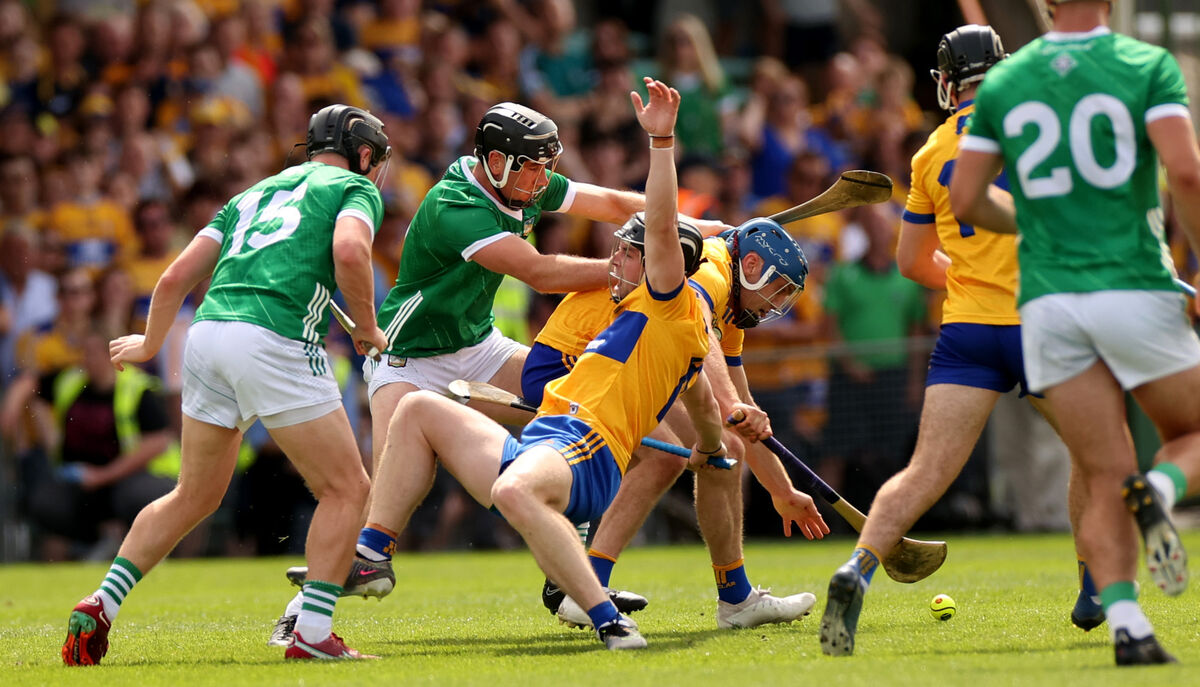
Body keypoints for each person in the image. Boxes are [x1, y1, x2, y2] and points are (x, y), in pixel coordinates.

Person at [61, 103, 392, 665]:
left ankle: (102, 603)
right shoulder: (352, 188)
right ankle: (312, 632)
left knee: (194, 494)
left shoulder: (251, 194)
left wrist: (146, 343)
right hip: (274, 338)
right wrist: (366, 325)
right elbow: (349, 250)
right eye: (376, 159)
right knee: (347, 489)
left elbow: (172, 277)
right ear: (363, 153)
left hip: (207, 335)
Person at [817, 25, 1104, 660]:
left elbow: (912, 261)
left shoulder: (929, 154)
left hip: (968, 331)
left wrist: (968, 278)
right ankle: (1091, 587)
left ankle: (858, 568)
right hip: (1041, 325)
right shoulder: (1037, 126)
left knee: (923, 472)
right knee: (1092, 453)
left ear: (947, 84)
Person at [949, 0, 1200, 665]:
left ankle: (1128, 624)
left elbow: (967, 198)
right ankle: (1165, 489)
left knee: (1100, 467)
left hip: (1050, 302)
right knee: (1190, 435)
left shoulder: (1005, 81)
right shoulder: (1147, 63)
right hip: (1134, 284)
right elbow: (1188, 174)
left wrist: (1035, 221)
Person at [522, 213, 827, 631]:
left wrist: (783, 491)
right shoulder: (716, 267)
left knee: (725, 453)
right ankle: (591, 588)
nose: (776, 305)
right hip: (571, 364)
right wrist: (730, 405)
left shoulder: (732, 311)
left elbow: (742, 410)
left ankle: (733, 597)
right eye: (777, 290)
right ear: (752, 266)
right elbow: (696, 318)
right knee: (677, 457)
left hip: (622, 364)